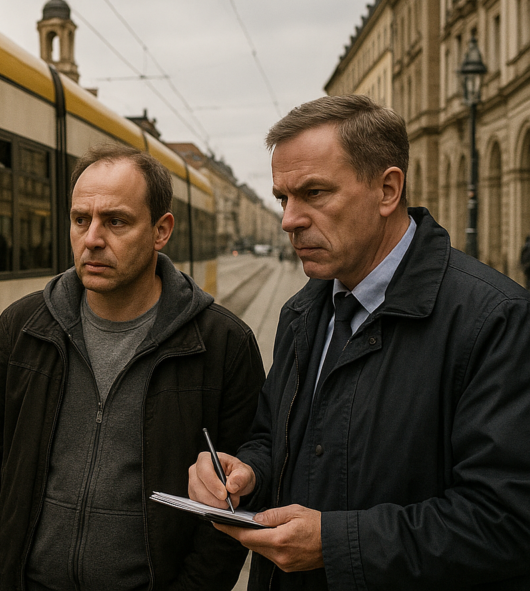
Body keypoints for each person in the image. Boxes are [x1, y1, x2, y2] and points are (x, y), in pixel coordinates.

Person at [188, 94, 530, 590]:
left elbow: (508, 519)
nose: (289, 220)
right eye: (284, 198)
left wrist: (336, 543)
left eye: (315, 193)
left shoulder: (495, 320)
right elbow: (271, 435)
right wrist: (246, 473)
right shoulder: (303, 310)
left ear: (387, 189)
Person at [0, 144, 266, 591]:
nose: (92, 238)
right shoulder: (23, 327)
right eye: (81, 220)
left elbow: (230, 505)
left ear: (161, 230)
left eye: (116, 221)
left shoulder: (222, 344)